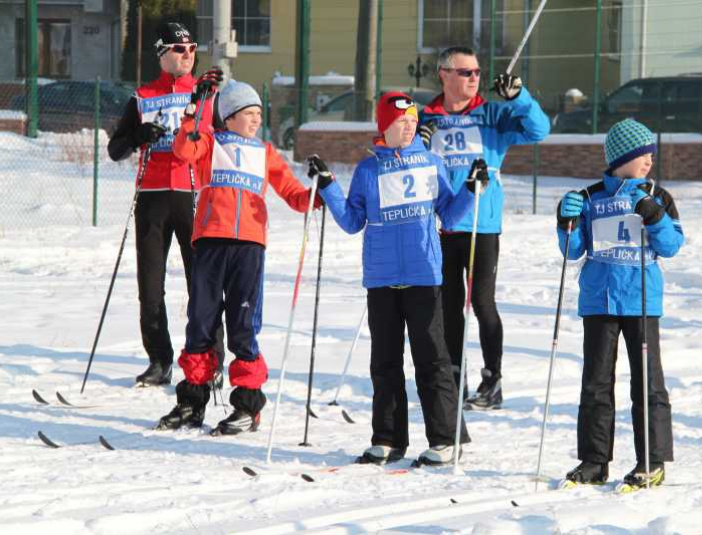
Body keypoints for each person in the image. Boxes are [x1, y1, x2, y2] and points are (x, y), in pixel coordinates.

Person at [312, 92, 481, 465]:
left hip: (423, 274)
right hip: (382, 277)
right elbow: (352, 221)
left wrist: (470, 187)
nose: (409, 127)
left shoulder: (431, 163)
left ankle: (445, 438)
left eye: (413, 121)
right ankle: (388, 438)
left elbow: (450, 216)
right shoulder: (368, 170)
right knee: (384, 360)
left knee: (432, 358)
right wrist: (327, 185)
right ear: (384, 126)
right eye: (401, 121)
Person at [155, 79, 322, 434]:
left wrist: (314, 195)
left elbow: (290, 191)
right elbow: (184, 149)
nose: (255, 120)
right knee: (201, 322)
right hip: (211, 242)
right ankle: (192, 401)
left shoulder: (265, 151)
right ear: (228, 117)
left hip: (249, 245)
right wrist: (196, 109)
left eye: (259, 113)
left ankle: (247, 404)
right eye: (248, 113)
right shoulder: (210, 143)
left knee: (243, 326)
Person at [418, 46, 550, 410]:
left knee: (482, 302)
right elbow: (402, 154)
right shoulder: (426, 118)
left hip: (482, 224)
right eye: (465, 72)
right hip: (442, 223)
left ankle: (492, 380)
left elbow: (539, 130)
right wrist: (417, 143)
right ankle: (453, 376)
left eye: (477, 72)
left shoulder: (492, 114)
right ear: (444, 74)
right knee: (447, 304)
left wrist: (518, 97)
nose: (474, 78)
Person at [556, 118, 684, 489]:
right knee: (595, 383)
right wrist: (565, 218)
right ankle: (594, 461)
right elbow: (572, 249)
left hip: (641, 301)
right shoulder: (592, 196)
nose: (649, 159)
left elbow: (672, 246)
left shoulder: (657, 195)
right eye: (642, 153)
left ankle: (652, 460)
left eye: (650, 153)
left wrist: (654, 216)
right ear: (620, 157)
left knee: (648, 384)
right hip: (599, 301)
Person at [107, 21, 225, 387]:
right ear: (162, 53)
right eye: (179, 49)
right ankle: (159, 360)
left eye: (192, 49)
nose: (187, 55)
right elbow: (115, 149)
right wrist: (140, 135)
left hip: (193, 195)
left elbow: (224, 142)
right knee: (150, 285)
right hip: (153, 197)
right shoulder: (141, 97)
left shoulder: (206, 94)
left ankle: (211, 360)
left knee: (201, 283)